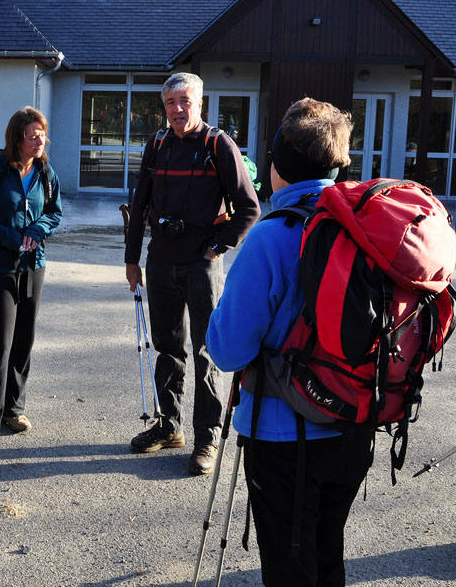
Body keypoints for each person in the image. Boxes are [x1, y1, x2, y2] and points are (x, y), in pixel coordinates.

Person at [207, 97, 373, 587]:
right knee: (327, 553)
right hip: (354, 420)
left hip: (285, 435)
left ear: (278, 163)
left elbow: (228, 350)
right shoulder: (363, 223)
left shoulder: (272, 235)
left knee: (289, 567)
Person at [124, 72, 259, 475]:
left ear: (200, 103)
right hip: (161, 260)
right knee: (167, 347)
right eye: (170, 102)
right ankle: (169, 426)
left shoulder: (219, 145)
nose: (177, 109)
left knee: (206, 350)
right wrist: (132, 260)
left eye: (185, 101)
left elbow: (249, 208)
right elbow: (139, 204)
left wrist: (218, 247)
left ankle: (207, 436)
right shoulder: (157, 144)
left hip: (202, 264)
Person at [0, 107, 63, 441]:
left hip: (34, 265)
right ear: (16, 138)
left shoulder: (45, 171)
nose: (39, 141)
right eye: (32, 136)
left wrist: (36, 230)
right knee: (0, 343)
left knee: (24, 340)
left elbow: (55, 212)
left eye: (42, 135)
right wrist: (12, 239)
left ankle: (13, 409)